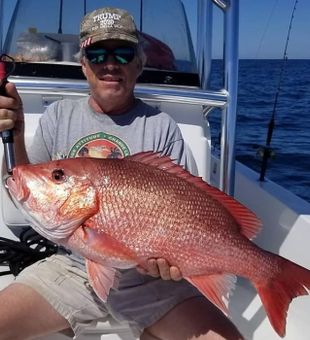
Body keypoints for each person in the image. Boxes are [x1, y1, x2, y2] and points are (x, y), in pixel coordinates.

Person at [0, 7, 243, 340]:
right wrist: (15, 133)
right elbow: (19, 198)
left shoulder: (162, 128)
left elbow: (191, 210)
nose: (109, 64)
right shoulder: (58, 117)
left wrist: (172, 266)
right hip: (70, 267)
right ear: (83, 64)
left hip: (150, 282)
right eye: (97, 54)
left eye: (123, 53)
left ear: (140, 63)